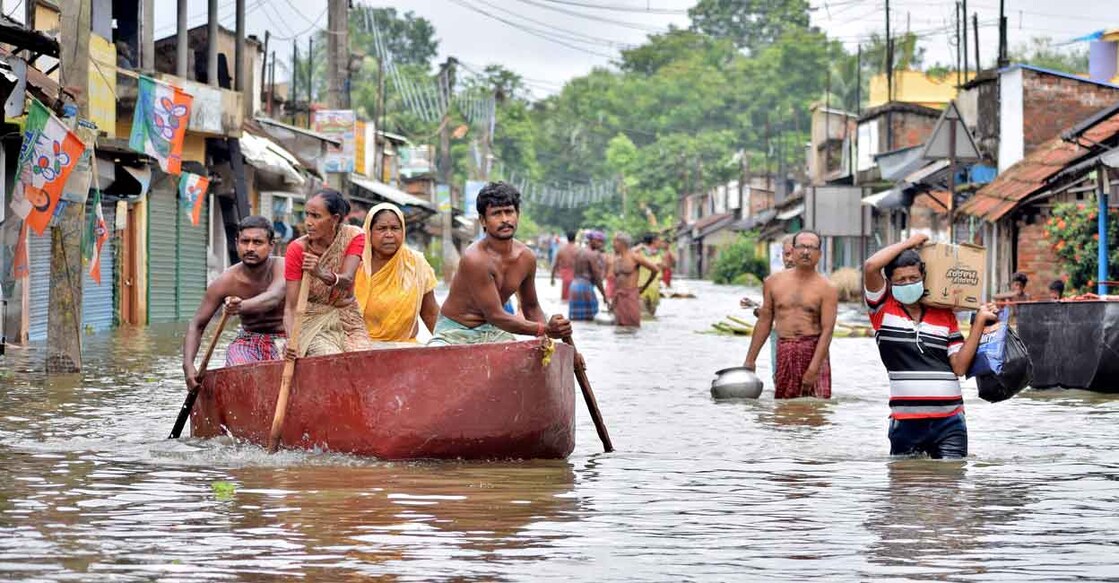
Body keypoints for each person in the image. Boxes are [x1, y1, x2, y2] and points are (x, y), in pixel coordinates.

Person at [864, 233, 999, 459]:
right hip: (905, 424)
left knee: (949, 485)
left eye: (913, 278)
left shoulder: (944, 314)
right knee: (904, 490)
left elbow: (959, 367)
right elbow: (870, 266)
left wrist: (979, 323)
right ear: (890, 283)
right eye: (901, 280)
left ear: (923, 277)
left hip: (950, 422)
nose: (908, 283)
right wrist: (910, 243)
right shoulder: (882, 310)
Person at [430, 181, 572, 345]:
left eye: (509, 212)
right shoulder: (474, 258)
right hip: (455, 332)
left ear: (517, 214)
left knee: (534, 359)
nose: (505, 219)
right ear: (483, 220)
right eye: (497, 214)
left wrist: (549, 342)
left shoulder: (526, 257)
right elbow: (495, 315)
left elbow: (531, 307)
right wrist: (545, 329)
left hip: (494, 331)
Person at [182, 216, 286, 390]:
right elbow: (197, 325)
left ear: (271, 245)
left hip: (286, 339)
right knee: (239, 378)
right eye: (245, 241)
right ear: (237, 243)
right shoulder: (225, 281)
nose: (250, 248)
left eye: (257, 242)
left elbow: (273, 297)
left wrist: (241, 306)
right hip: (248, 341)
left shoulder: (282, 266)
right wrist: (188, 365)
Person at [743, 230, 837, 399]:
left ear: (819, 254)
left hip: (814, 350)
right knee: (784, 410)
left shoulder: (827, 288)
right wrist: (750, 360)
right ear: (792, 251)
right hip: (785, 348)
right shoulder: (772, 282)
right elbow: (765, 322)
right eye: (801, 247)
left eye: (811, 248)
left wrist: (813, 369)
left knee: (816, 411)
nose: (806, 252)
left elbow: (827, 331)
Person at [283, 189, 373, 357]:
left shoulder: (354, 236)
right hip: (310, 321)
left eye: (315, 216)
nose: (308, 222)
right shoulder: (297, 249)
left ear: (335, 219)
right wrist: (291, 340)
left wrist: (320, 272)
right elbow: (291, 306)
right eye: (307, 215)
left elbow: (347, 279)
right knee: (329, 357)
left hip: (348, 319)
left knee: (362, 359)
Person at [353, 203, 439, 343]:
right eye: (381, 229)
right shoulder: (355, 264)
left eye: (395, 228)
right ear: (369, 232)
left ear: (403, 230)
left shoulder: (416, 264)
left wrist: (448, 345)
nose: (389, 235)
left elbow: (430, 313)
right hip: (361, 349)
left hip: (405, 351)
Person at [741, 234, 795, 376]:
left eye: (793, 254)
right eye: (786, 254)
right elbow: (766, 319)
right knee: (781, 382)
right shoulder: (773, 283)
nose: (789, 259)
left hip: (807, 346)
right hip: (779, 339)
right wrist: (750, 360)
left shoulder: (820, 286)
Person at [611, 233, 660, 328]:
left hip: (631, 296)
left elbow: (655, 269)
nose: (613, 244)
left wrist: (644, 287)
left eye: (615, 241)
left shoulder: (634, 257)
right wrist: (613, 301)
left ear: (622, 243)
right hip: (619, 297)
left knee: (632, 326)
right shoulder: (616, 259)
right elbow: (617, 281)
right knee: (619, 327)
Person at [569, 231, 608, 321]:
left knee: (576, 320)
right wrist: (604, 296)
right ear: (592, 241)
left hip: (574, 286)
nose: (601, 244)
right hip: (585, 287)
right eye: (599, 241)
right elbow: (597, 277)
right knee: (589, 319)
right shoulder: (592, 255)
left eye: (602, 242)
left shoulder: (578, 252)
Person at [636, 233, 664, 317]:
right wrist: (641, 246)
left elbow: (659, 273)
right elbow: (627, 254)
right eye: (659, 240)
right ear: (653, 241)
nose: (661, 242)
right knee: (643, 316)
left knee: (651, 318)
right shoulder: (639, 253)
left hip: (654, 290)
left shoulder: (658, 254)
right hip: (641, 289)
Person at [551, 231, 578, 302]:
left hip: (565, 275)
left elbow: (555, 265)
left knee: (565, 300)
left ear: (567, 238)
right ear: (575, 238)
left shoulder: (561, 250)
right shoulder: (579, 250)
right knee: (574, 299)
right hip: (576, 276)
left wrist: (552, 278)